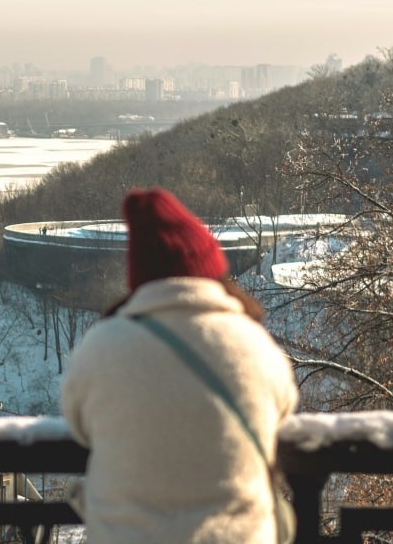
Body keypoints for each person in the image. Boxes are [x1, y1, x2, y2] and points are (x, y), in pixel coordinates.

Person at [61, 188, 298, 544]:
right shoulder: (254, 345)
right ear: (212, 269)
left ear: (140, 279)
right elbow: (283, 410)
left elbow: (79, 425)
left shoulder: (102, 345)